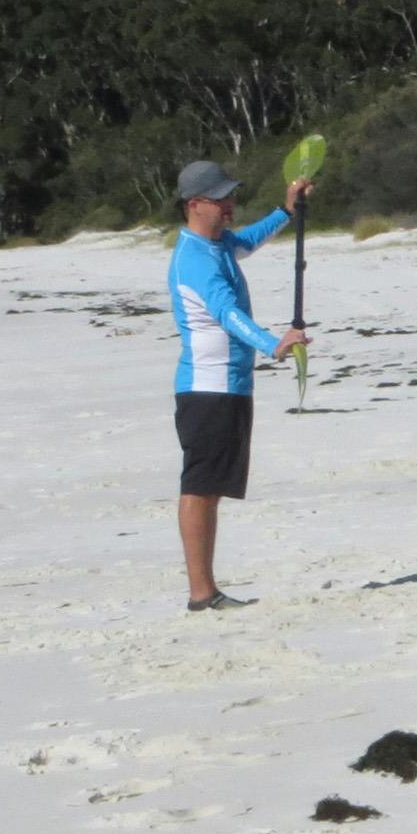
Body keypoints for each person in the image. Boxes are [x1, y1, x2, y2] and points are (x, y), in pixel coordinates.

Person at [167, 158, 312, 612]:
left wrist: (286, 212)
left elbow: (247, 241)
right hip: (207, 389)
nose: (231, 205)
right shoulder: (194, 259)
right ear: (196, 204)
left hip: (229, 386)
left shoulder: (217, 244)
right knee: (200, 488)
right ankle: (201, 593)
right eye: (222, 198)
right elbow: (227, 314)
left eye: (231, 195)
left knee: (208, 489)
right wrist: (274, 344)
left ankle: (206, 590)